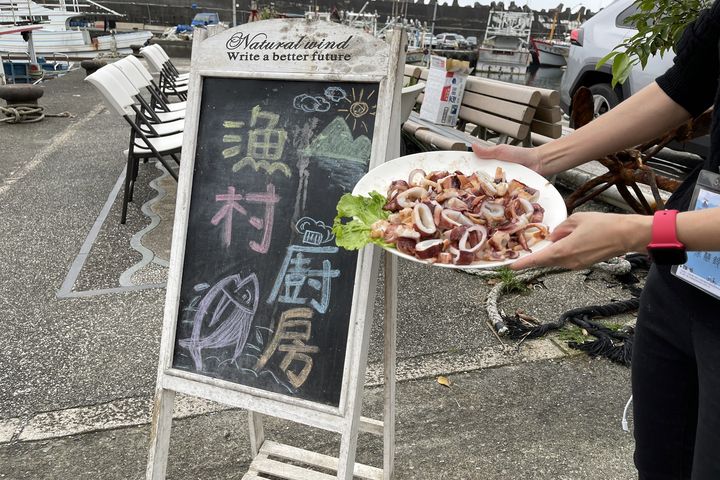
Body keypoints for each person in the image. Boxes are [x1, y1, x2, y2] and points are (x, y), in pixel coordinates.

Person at [473, 3, 720, 479]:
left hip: (674, 241)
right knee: (658, 459)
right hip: (682, 278)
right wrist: (543, 159)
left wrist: (641, 230)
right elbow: (682, 89)